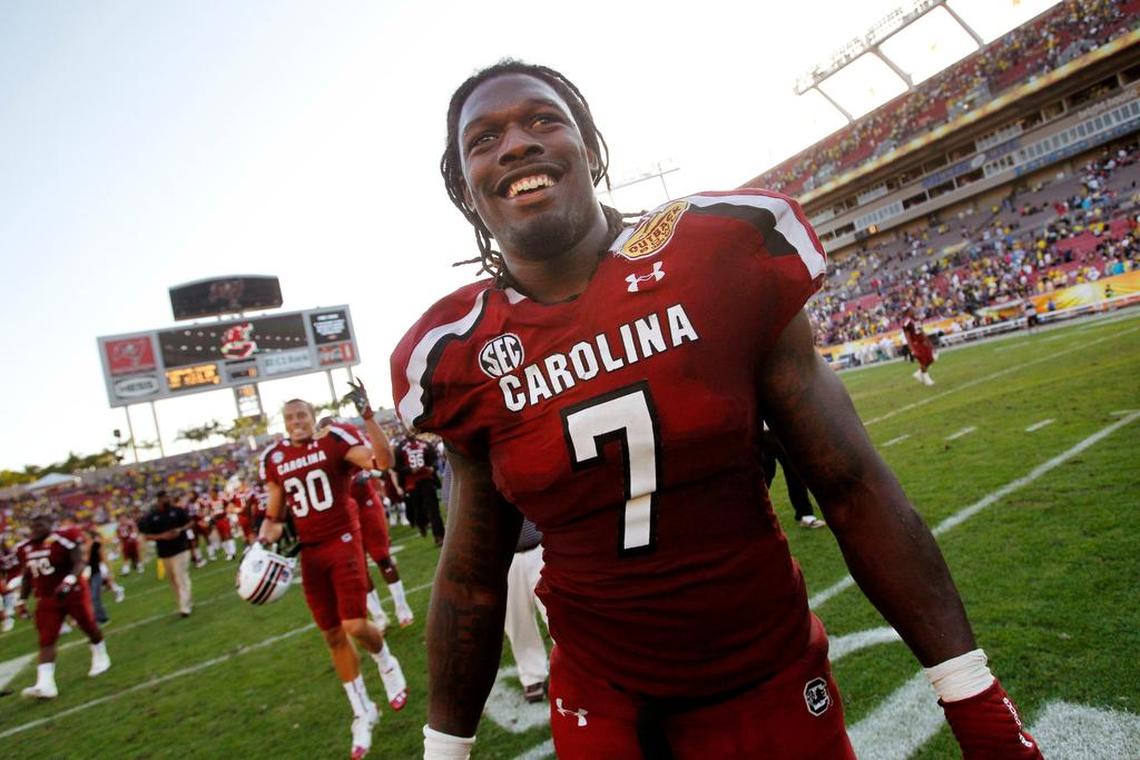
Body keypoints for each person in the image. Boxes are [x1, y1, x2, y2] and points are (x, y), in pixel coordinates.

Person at [391, 60, 1041, 759]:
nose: (517, 143)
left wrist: (974, 697)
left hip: (763, 671)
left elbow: (852, 487)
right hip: (600, 696)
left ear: (592, 148)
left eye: (544, 119)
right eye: (484, 138)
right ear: (464, 187)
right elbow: (473, 578)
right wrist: (445, 751)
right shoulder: (454, 352)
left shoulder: (717, 251)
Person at [257, 393, 408, 760]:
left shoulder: (333, 441)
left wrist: (368, 417)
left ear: (313, 416)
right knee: (332, 634)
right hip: (310, 552)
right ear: (283, 421)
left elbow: (382, 461)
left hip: (342, 539)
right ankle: (362, 711)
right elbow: (275, 518)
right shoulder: (275, 458)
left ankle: (387, 661)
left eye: (302, 414)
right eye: (290, 416)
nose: (296, 421)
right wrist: (260, 544)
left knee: (355, 624)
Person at [316, 414, 416, 630]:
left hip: (367, 503)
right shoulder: (318, 454)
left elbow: (379, 463)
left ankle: (401, 606)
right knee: (358, 567)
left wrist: (367, 475)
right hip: (345, 514)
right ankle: (379, 615)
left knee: (382, 556)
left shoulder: (350, 439)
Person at [16, 514, 110, 698]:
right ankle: (45, 684)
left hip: (73, 591)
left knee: (89, 626)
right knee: (46, 639)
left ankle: (101, 654)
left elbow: (79, 561)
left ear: (50, 525)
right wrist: (21, 600)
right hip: (46, 598)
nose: (35, 529)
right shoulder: (24, 548)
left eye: (40, 524)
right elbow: (27, 576)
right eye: (32, 525)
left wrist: (68, 581)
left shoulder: (64, 539)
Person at [505, 518, 550, 703]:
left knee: (559, 615)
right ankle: (533, 675)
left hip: (542, 545)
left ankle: (577, 671)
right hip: (502, 555)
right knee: (517, 621)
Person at [760, 424, 827, 529]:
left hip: (781, 431)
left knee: (794, 473)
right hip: (760, 435)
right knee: (764, 475)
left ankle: (805, 515)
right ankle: (753, 513)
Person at [139, 490, 194, 618]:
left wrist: (180, 529)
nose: (167, 500)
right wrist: (162, 536)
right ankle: (186, 601)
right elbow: (146, 536)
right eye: (164, 498)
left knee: (181, 577)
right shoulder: (152, 517)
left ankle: (184, 607)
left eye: (167, 497)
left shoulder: (177, 511)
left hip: (181, 549)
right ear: (158, 500)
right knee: (174, 581)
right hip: (165, 553)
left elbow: (190, 522)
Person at [394, 431, 444, 545]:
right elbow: (397, 468)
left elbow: (435, 460)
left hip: (427, 480)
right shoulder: (400, 448)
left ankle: (439, 535)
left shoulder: (425, 444)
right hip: (411, 484)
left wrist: (433, 468)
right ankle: (422, 524)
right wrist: (410, 470)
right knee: (418, 509)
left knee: (433, 509)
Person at [903, 317, 937, 386]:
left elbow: (921, 332)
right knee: (923, 361)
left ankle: (918, 373)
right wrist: (912, 349)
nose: (914, 310)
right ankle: (926, 378)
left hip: (922, 342)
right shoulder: (907, 323)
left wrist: (928, 342)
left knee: (931, 359)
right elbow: (908, 337)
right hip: (916, 344)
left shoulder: (916, 320)